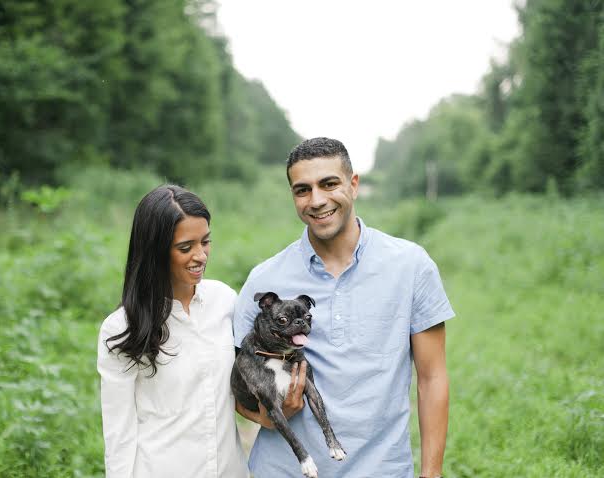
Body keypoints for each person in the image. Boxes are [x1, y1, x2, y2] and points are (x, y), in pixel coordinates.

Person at [233, 137, 454, 478]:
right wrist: (265, 418)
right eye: (302, 190)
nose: (317, 200)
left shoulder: (411, 266)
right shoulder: (266, 278)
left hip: (382, 469)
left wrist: (431, 473)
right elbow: (233, 378)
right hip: (282, 470)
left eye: (329, 184)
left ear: (353, 185)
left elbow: (432, 377)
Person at [97, 185, 248, 478]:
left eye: (205, 242)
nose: (201, 256)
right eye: (185, 247)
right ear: (155, 251)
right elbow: (119, 432)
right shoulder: (122, 328)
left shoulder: (225, 301)